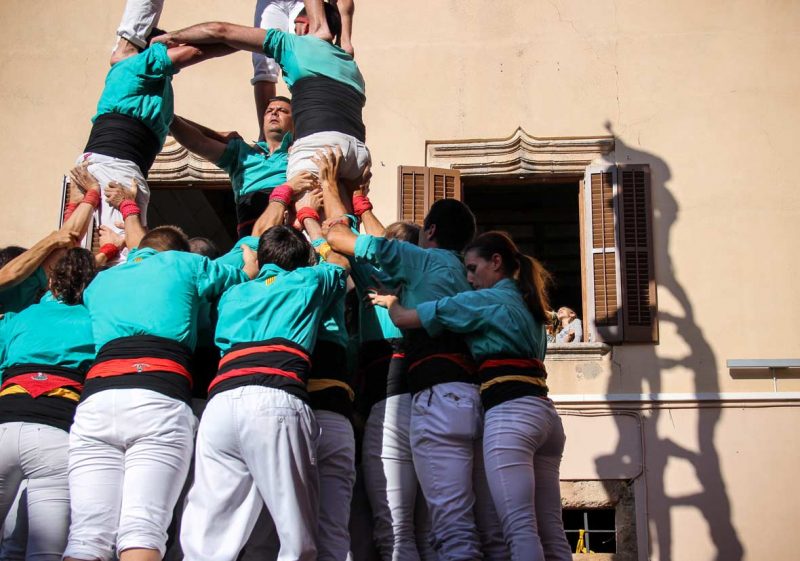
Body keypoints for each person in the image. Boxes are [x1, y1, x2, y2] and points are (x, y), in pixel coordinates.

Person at [318, 148, 507, 561]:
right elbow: (386, 243)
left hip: (419, 397)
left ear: (431, 231)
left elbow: (338, 238)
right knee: (448, 530)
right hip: (472, 397)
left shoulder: (419, 263)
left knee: (407, 532)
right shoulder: (466, 271)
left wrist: (332, 189)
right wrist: (360, 202)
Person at [63, 201, 252, 561]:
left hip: (97, 400)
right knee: (143, 528)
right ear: (178, 252)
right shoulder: (187, 264)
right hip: (158, 396)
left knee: (86, 536)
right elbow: (241, 271)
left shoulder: (100, 282)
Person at [368, 231, 573, 561]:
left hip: (510, 415)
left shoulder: (483, 301)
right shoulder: (532, 308)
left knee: (518, 529)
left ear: (496, 262)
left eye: (473, 269)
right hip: (546, 414)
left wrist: (392, 301)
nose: (468, 279)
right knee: (551, 530)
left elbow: (406, 318)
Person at [179, 222, 349, 561]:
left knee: (208, 536)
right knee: (295, 537)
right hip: (275, 400)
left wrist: (250, 266)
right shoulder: (309, 280)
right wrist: (317, 236)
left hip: (221, 405)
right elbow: (342, 266)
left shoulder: (234, 292)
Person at [153, 2, 370, 188]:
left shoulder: (294, 44)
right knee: (342, 226)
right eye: (270, 110)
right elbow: (344, 9)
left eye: (294, 26)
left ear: (303, 25)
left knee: (311, 222)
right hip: (357, 151)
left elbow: (221, 30)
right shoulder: (349, 62)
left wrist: (173, 36)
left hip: (319, 146)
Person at [80, 2, 235, 244]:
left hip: (120, 165)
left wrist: (217, 136)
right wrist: (248, 40)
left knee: (124, 245)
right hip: (115, 166)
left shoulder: (155, 93)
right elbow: (196, 51)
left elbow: (175, 123)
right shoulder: (138, 64)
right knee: (119, 251)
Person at [0, 249, 96, 561]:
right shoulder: (97, 320)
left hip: (5, 424)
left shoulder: (19, 317)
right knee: (45, 552)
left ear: (51, 281)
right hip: (57, 433)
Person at [170, 96, 317, 237]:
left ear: (295, 122)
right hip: (249, 233)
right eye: (269, 111)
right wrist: (165, 114)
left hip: (287, 232)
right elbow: (197, 142)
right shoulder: (241, 152)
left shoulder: (301, 153)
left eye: (283, 111)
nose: (274, 113)